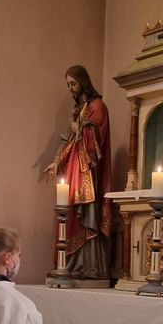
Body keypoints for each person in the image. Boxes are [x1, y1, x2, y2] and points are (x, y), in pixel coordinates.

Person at [44, 65, 112, 279]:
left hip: (88, 173)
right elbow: (67, 139)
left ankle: (89, 267)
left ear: (83, 81)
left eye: (73, 83)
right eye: (68, 84)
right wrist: (56, 161)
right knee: (70, 214)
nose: (71, 88)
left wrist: (80, 129)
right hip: (74, 168)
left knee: (86, 214)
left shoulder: (98, 106)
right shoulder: (77, 110)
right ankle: (70, 264)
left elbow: (96, 140)